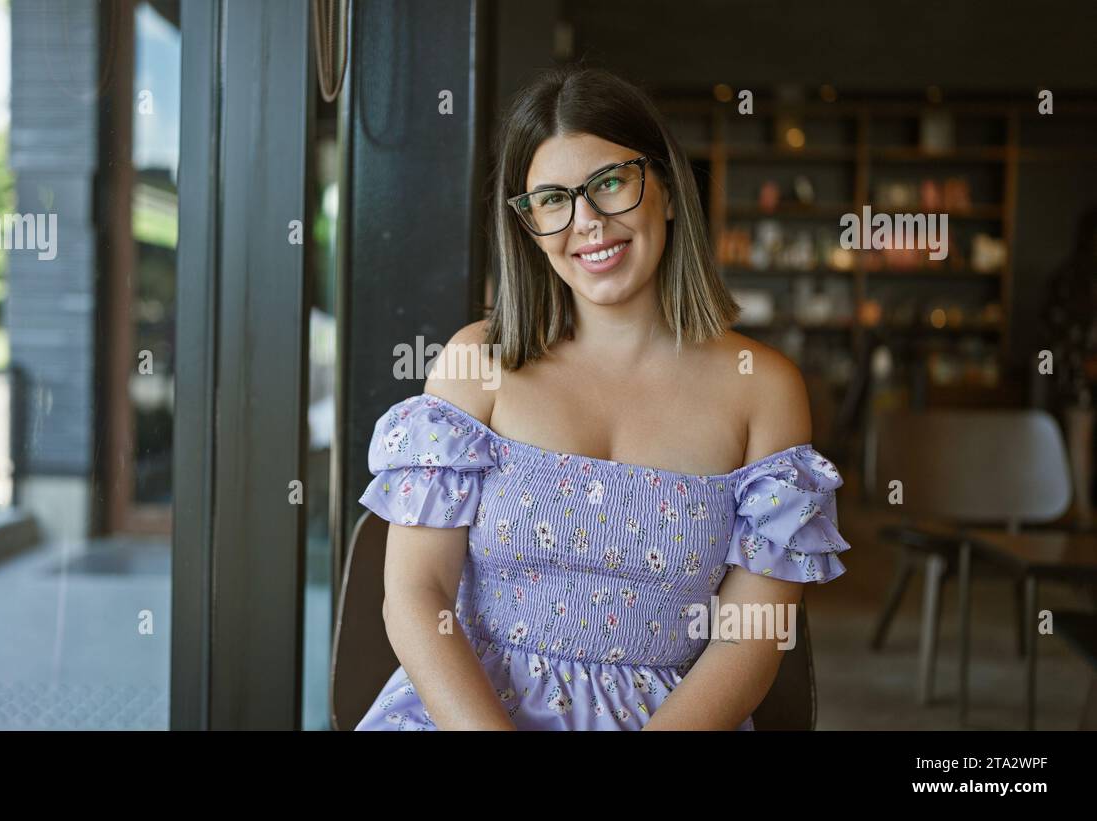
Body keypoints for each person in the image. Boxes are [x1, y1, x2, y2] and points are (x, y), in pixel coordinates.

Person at [354, 66, 852, 731]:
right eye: (553, 199)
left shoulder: (763, 389)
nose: (586, 222)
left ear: (668, 191)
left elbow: (750, 636)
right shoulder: (476, 364)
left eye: (610, 183)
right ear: (529, 225)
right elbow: (417, 596)